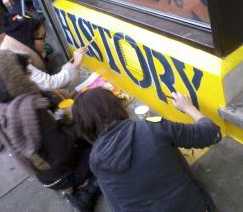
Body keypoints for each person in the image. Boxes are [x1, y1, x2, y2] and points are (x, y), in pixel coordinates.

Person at [72, 87, 222, 212]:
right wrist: (188, 107)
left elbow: (118, 205)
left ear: (85, 128)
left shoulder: (95, 161)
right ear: (118, 106)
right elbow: (212, 133)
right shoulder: (152, 128)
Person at [0, 50, 99, 212]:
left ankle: (74, 185)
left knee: (88, 140)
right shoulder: (29, 110)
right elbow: (64, 151)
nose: (29, 77)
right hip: (63, 173)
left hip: (45, 175)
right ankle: (85, 193)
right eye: (26, 73)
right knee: (107, 150)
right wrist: (69, 122)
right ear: (14, 80)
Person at [0, 13, 88, 91]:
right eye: (42, 37)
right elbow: (50, 83)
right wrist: (75, 64)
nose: (46, 39)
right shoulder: (16, 60)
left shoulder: (15, 41)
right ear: (29, 41)